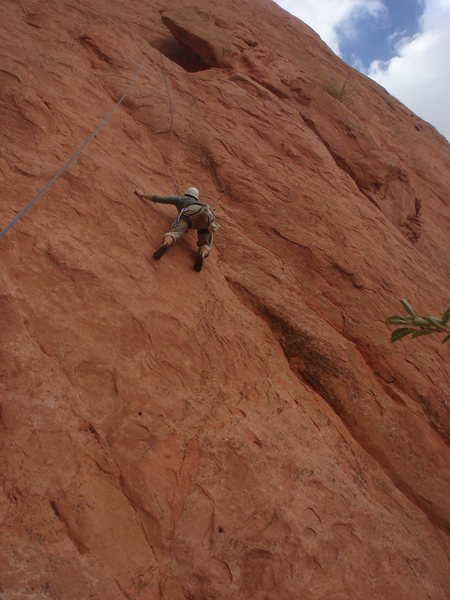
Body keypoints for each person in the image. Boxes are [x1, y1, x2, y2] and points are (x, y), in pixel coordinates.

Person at [135, 186, 219, 271]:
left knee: (174, 233)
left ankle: (166, 244)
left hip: (189, 214)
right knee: (205, 244)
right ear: (196, 197)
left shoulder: (180, 199)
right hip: (207, 217)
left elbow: (159, 198)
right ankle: (202, 254)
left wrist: (142, 195)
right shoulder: (200, 203)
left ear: (187, 193)